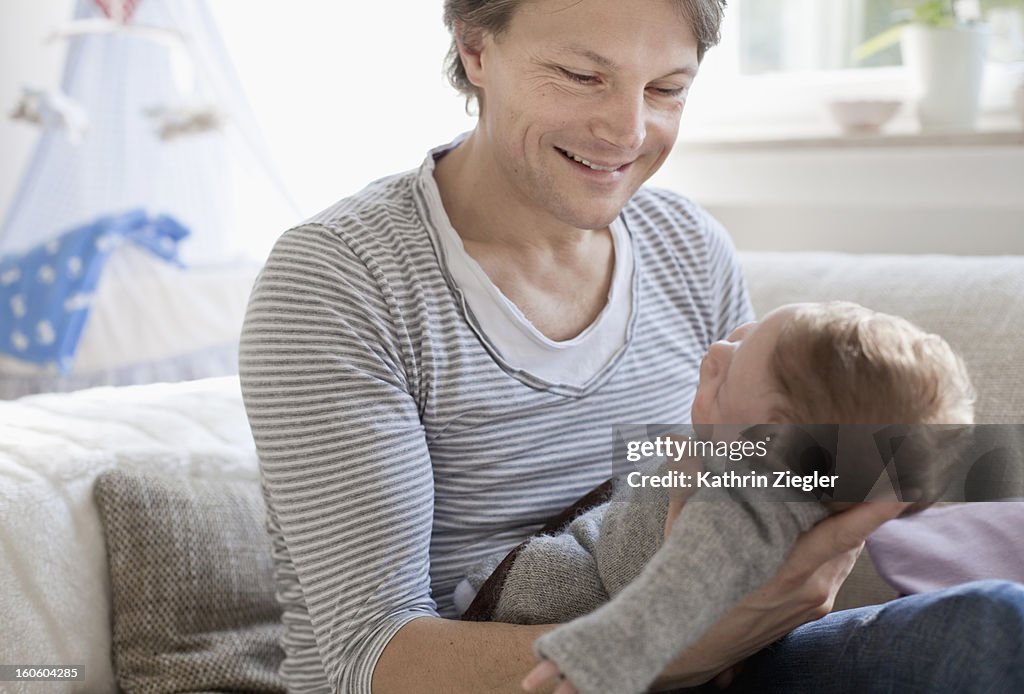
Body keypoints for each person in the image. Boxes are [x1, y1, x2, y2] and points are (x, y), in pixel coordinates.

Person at [239, 1, 1024, 692]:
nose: (627, 130)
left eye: (667, 89)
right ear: (475, 47)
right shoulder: (342, 279)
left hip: (734, 655)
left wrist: (870, 483)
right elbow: (364, 659)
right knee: (989, 632)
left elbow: (742, 466)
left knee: (993, 614)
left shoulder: (687, 246)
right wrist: (686, 644)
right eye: (583, 75)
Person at [456, 301, 976, 694]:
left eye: (734, 366)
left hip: (560, 601)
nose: (716, 351)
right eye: (741, 337)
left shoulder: (746, 497)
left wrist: (602, 656)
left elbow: (679, 587)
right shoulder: (802, 486)